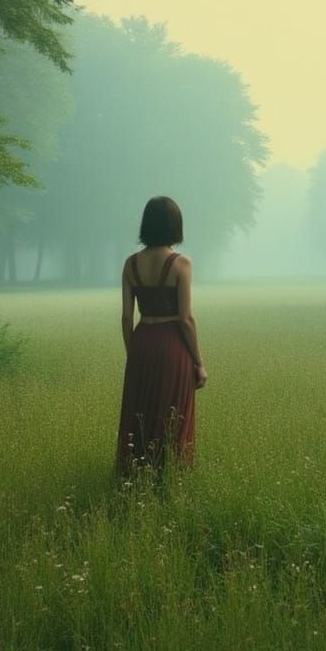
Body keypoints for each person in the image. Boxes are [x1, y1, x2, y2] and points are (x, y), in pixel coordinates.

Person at [115, 195, 208, 475]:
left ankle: (136, 472)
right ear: (175, 225)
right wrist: (199, 363)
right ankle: (169, 473)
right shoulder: (181, 264)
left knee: (140, 409)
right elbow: (186, 318)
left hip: (143, 340)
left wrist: (134, 353)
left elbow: (126, 317)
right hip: (172, 345)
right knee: (172, 411)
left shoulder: (131, 264)